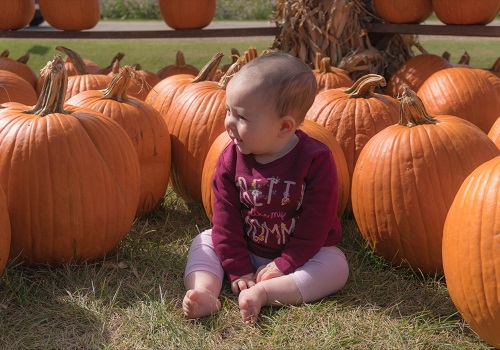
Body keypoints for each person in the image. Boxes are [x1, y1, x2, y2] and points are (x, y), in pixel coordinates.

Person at [182, 51, 349, 324]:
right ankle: (205, 292)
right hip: (246, 247)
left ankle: (266, 293)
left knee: (336, 266)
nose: (229, 123)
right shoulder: (231, 158)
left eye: (242, 117)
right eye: (228, 111)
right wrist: (238, 268)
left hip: (301, 255)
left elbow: (316, 223)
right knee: (204, 240)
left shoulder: (315, 161)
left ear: (284, 126)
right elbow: (225, 219)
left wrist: (286, 263)